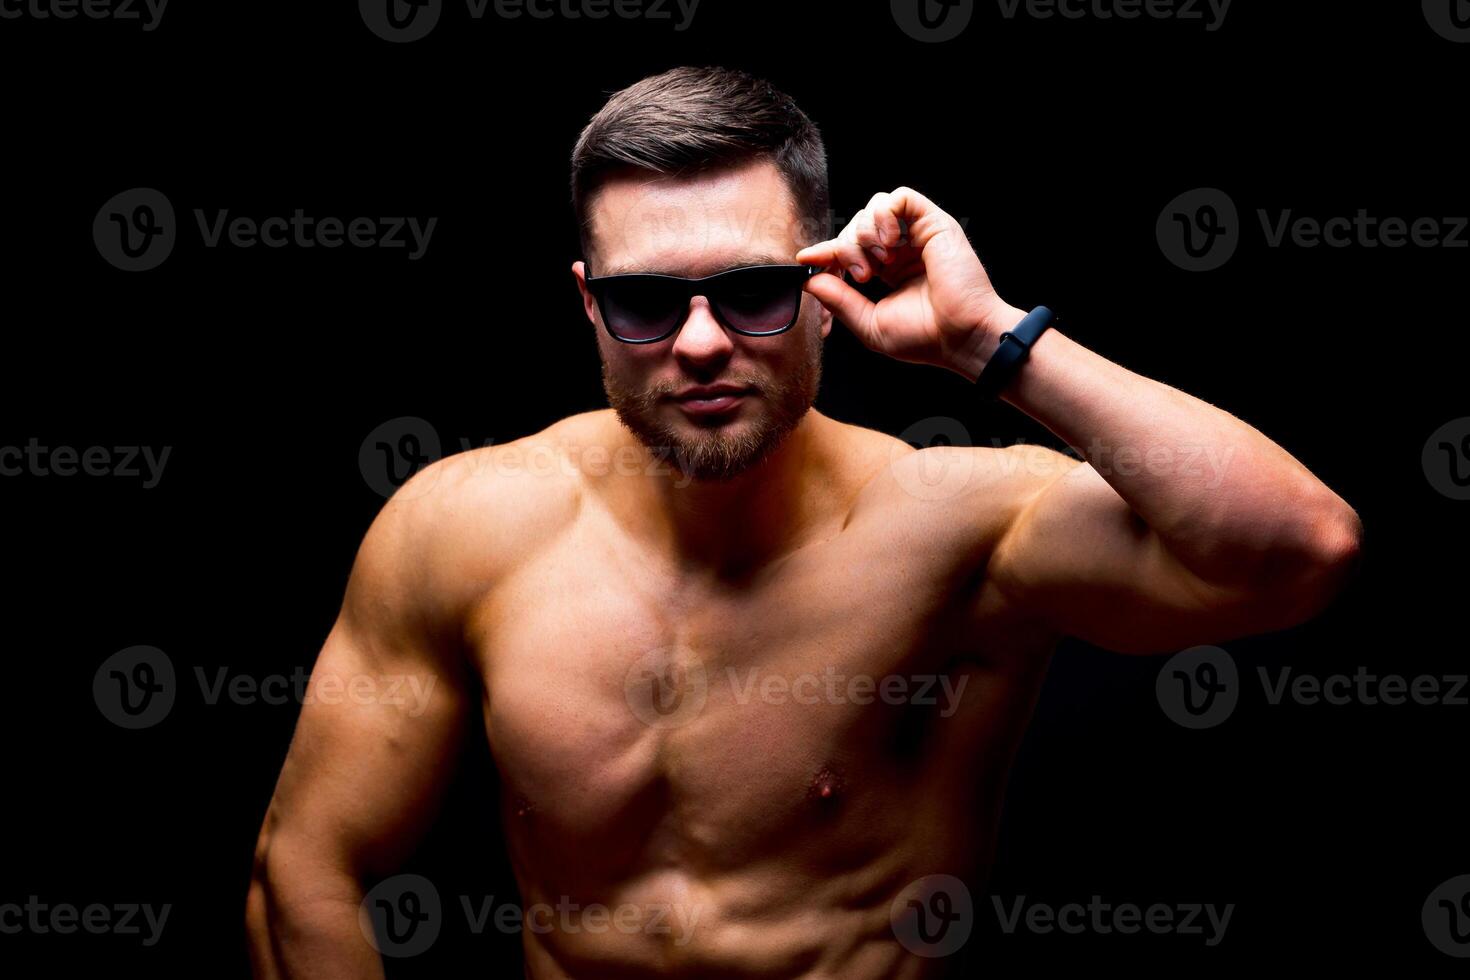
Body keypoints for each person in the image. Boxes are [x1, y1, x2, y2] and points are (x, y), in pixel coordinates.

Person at [245, 65, 1362, 978]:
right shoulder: (461, 526)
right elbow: (305, 866)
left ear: (825, 285)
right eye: (644, 301)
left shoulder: (958, 529)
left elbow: (1298, 548)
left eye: (750, 291)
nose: (697, 342)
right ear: (589, 301)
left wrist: (989, 342)